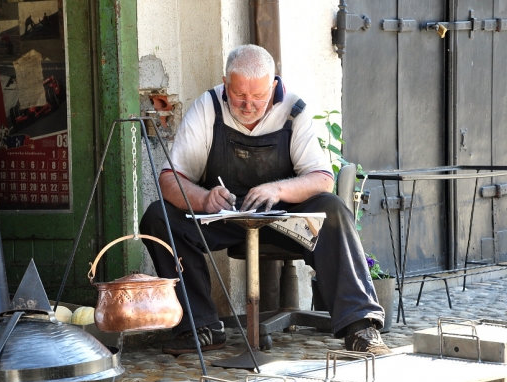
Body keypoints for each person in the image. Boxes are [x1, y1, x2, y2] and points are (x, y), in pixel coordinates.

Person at [140, 44, 392, 356]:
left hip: (286, 217)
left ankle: (360, 327)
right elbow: (170, 179)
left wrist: (277, 191)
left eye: (258, 97)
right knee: (158, 217)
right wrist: (205, 199)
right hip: (225, 215)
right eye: (239, 95)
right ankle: (200, 326)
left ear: (273, 85)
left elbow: (322, 177)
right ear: (225, 82)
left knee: (333, 209)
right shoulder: (207, 107)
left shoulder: (293, 109)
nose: (248, 105)